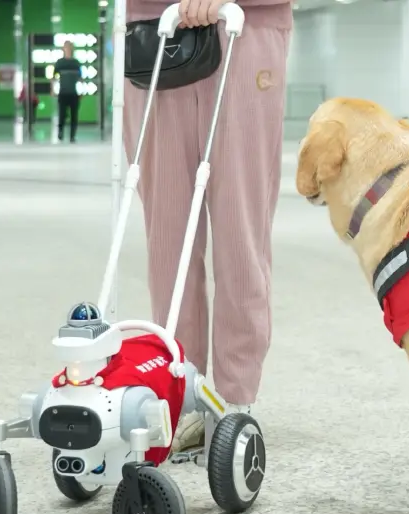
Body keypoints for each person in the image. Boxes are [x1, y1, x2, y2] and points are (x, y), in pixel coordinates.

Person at [123, 0, 292, 451]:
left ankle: (235, 400)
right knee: (167, 238)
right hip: (157, 35)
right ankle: (182, 389)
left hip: (246, 31)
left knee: (242, 230)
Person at [53, 42, 83, 142]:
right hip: (63, 92)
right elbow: (53, 78)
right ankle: (60, 132)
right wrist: (52, 89)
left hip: (73, 93)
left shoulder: (76, 63)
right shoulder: (59, 63)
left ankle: (72, 136)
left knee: (74, 116)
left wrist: (81, 91)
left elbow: (80, 79)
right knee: (62, 114)